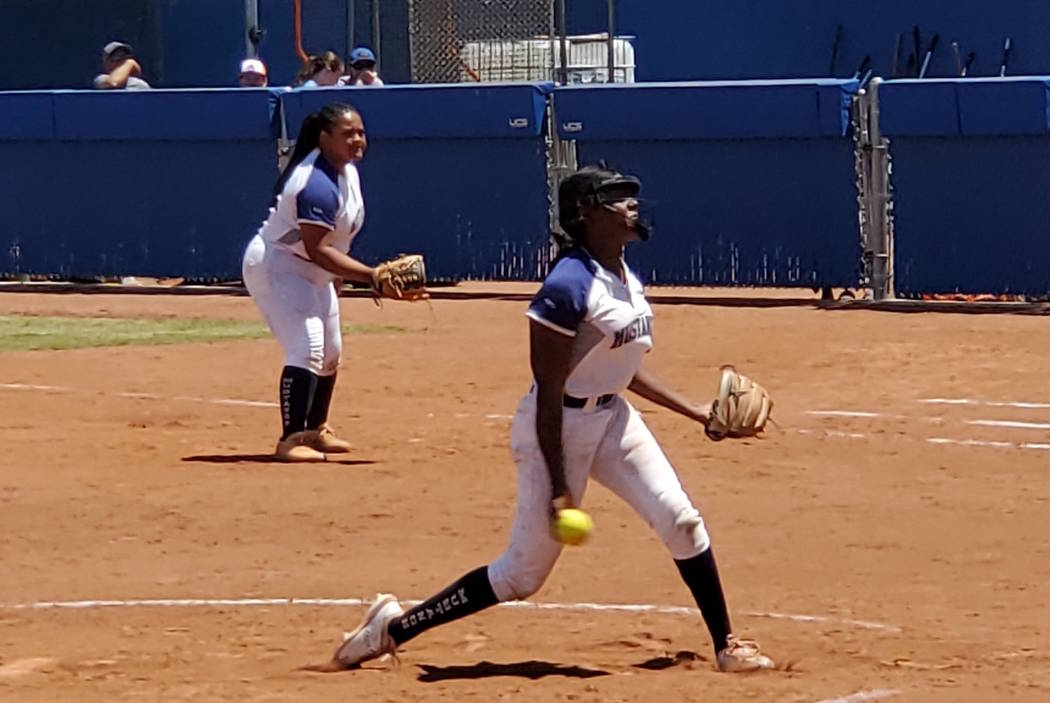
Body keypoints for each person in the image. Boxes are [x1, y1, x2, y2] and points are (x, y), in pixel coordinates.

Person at [329, 165, 776, 672]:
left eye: (632, 197)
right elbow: (549, 391)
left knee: (681, 520)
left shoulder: (623, 276)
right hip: (556, 430)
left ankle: (727, 645)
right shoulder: (567, 287)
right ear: (585, 213)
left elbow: (619, 368)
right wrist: (562, 488)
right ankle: (391, 629)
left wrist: (696, 413)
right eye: (617, 199)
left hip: (614, 422)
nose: (632, 206)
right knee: (521, 576)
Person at [242, 102, 381, 462]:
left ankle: (317, 428)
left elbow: (335, 242)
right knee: (308, 346)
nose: (357, 139)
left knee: (331, 351)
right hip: (279, 266)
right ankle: (291, 440)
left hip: (313, 268)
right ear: (324, 138)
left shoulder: (346, 171)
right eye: (347, 133)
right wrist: (371, 276)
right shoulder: (314, 182)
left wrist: (338, 279)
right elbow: (316, 248)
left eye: (361, 132)